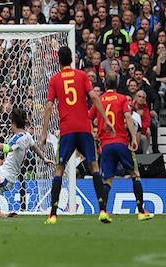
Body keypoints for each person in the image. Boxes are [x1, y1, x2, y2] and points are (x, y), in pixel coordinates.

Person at [40, 46, 115, 225]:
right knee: (94, 166)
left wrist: (43, 134)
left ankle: (52, 214)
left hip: (66, 131)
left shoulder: (55, 79)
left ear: (58, 61)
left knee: (59, 169)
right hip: (84, 129)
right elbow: (95, 98)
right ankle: (103, 211)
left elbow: (49, 106)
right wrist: (105, 119)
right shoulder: (82, 76)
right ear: (72, 61)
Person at [88, 72, 154, 222]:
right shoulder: (122, 98)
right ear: (117, 84)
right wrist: (133, 137)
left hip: (105, 145)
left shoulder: (99, 100)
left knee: (108, 180)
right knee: (135, 174)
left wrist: (93, 134)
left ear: (104, 85)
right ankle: (141, 211)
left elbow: (89, 117)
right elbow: (128, 117)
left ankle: (103, 211)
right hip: (121, 142)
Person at [0, 109, 53, 208]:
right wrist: (44, 159)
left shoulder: (18, 138)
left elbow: (7, 148)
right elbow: (35, 148)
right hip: (1, 171)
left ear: (13, 122)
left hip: (5, 178)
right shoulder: (27, 135)